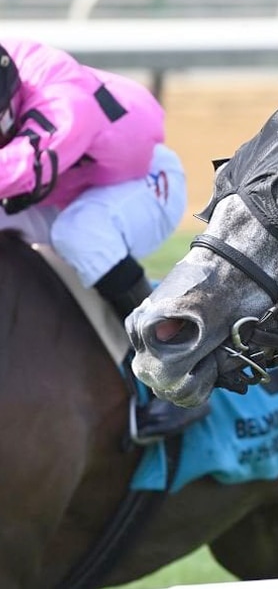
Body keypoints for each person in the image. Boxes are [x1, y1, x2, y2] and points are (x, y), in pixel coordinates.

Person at [0, 38, 200, 442]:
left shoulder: (60, 101)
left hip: (142, 183)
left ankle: (171, 367)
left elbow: (25, 167)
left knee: (80, 233)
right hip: (64, 189)